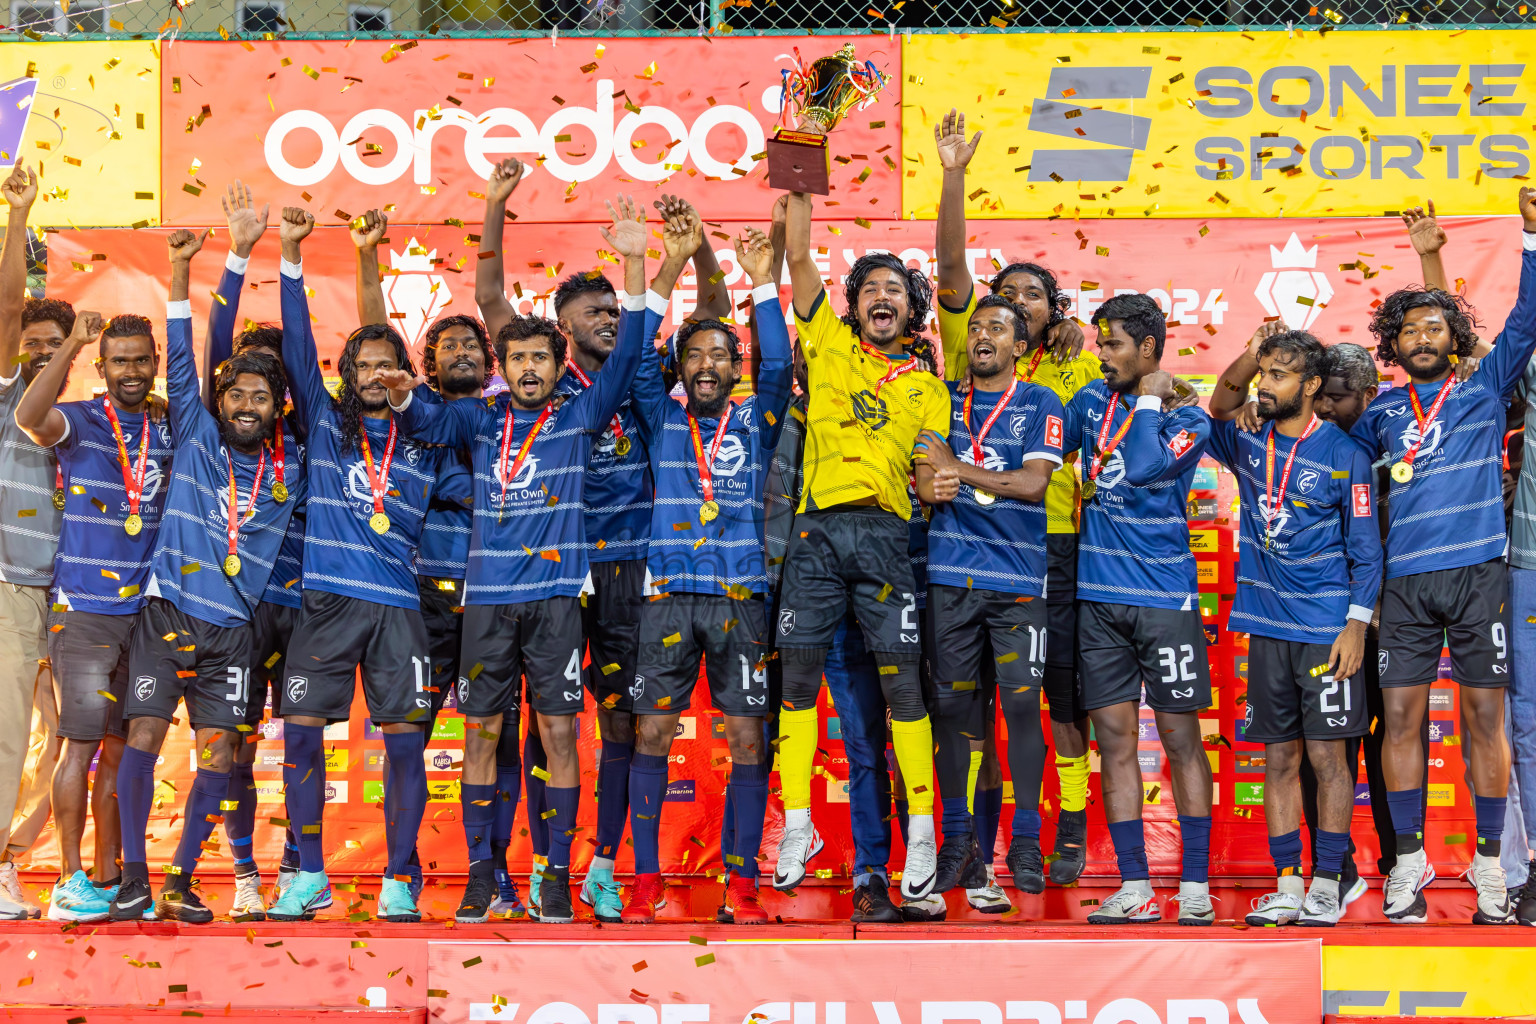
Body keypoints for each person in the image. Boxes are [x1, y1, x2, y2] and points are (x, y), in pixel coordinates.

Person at [380, 196, 645, 925]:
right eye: (518, 359)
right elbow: (432, 418)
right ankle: (478, 873)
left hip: (559, 601)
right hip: (488, 604)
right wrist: (406, 397)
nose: (528, 370)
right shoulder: (482, 415)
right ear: (505, 365)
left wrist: (634, 263)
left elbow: (626, 358)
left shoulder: (578, 416)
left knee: (561, 733)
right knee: (482, 733)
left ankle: (556, 874)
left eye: (540, 359)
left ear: (560, 366)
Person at [108, 228, 307, 923]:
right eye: (237, 394)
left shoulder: (294, 467)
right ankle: (136, 875)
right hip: (166, 615)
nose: (246, 405)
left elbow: (308, 376)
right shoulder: (193, 427)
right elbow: (192, 350)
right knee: (142, 736)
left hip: (233, 633)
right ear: (219, 401)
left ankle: (180, 879)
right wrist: (186, 266)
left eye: (261, 396)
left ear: (278, 407)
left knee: (221, 751)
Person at [1350, 188, 1536, 925]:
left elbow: (1525, 321)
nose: (1423, 337)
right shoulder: (1377, 417)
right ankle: (1408, 864)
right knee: (1398, 721)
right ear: (1391, 345)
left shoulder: (1485, 389)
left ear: (1454, 339)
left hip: (1479, 576)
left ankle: (1490, 864)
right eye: (1410, 330)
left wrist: (1530, 239)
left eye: (1436, 327)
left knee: (1484, 720)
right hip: (1404, 587)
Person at [931, 109, 1100, 889]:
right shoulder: (952, 381)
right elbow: (954, 266)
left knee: (1054, 702)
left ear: (1046, 319)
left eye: (1030, 299)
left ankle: (1059, 832)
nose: (1015, 308)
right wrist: (955, 173)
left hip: (1052, 552)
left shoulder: (1065, 372)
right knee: (965, 715)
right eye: (1003, 300)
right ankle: (976, 843)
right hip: (961, 559)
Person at [773, 179, 951, 903]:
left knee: (903, 687)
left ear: (912, 309)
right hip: (814, 534)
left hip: (885, 537)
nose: (883, 297)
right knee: (795, 683)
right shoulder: (827, 344)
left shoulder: (928, 386)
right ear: (853, 305)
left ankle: (920, 828)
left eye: (896, 290)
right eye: (870, 288)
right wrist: (805, 141)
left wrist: (939, 479)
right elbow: (797, 249)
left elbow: (932, 463)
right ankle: (796, 822)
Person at [268, 206, 442, 924]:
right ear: (346, 375)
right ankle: (309, 874)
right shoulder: (321, 419)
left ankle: (401, 878)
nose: (373, 373)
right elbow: (300, 345)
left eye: (385, 363)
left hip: (400, 609)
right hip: (327, 604)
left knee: (405, 750)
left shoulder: (427, 431)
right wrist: (289, 252)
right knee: (303, 739)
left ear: (400, 370)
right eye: (361, 364)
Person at [618, 217, 790, 924]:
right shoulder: (661, 416)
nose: (710, 365)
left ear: (735, 364)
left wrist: (761, 282)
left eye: (723, 354)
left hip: (740, 598)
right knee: (651, 734)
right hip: (665, 599)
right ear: (682, 367)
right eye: (697, 355)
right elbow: (633, 362)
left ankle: (741, 883)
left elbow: (778, 366)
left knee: (748, 737)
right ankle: (647, 880)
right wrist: (665, 268)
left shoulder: (759, 417)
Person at [1207, 325, 1382, 926]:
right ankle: (1287, 881)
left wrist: (1356, 626)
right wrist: (1250, 354)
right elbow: (1219, 403)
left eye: (1279, 375)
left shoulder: (1346, 454)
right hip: (1266, 628)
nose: (1265, 384)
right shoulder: (1248, 442)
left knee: (1330, 761)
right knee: (1278, 760)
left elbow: (1367, 550)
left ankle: (1329, 882)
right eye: (1264, 372)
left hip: (1326, 629)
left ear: (1310, 386)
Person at [16, 296, 174, 922]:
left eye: (140, 360)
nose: (130, 371)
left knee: (118, 751)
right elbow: (30, 414)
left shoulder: (166, 428)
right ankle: (68, 878)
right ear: (102, 367)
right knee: (76, 747)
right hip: (83, 610)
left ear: (155, 362)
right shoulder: (78, 420)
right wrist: (71, 345)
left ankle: (109, 876)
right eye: (117, 362)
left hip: (147, 614)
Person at [1061, 292, 1216, 924]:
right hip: (1099, 599)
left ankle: (1198, 885)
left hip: (1164, 599)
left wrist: (1149, 398)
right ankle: (1135, 886)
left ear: (1149, 348)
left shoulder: (1190, 415)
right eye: (1100, 342)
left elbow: (1149, 465)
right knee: (1115, 742)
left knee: (1180, 740)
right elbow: (1040, 436)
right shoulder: (1091, 401)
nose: (1103, 355)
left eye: (1114, 344)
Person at [914, 294, 1064, 903]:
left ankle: (1025, 841)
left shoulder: (1039, 401)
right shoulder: (938, 399)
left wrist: (962, 470)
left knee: (1023, 711)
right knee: (953, 715)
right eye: (976, 327)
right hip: (951, 578)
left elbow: (1032, 484)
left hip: (1018, 584)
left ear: (1018, 347)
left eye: (997, 329)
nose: (982, 335)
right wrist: (947, 473)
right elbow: (928, 483)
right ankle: (957, 843)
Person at [198, 180, 310, 920]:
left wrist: (288, 255)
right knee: (232, 748)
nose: (254, 394)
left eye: (273, 380)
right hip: (234, 612)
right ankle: (243, 872)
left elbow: (300, 359)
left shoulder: (308, 439)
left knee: (301, 746)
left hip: (302, 612)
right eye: (244, 382)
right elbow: (211, 352)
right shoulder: (215, 432)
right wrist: (237, 256)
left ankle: (300, 869)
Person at [0, 163, 66, 919]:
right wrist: (20, 218)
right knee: (8, 735)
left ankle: (16, 854)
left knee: (73, 740)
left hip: (75, 595)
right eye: (34, 345)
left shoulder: (81, 415)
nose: (46, 354)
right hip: (14, 586)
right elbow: (10, 305)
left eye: (59, 346)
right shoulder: (8, 397)